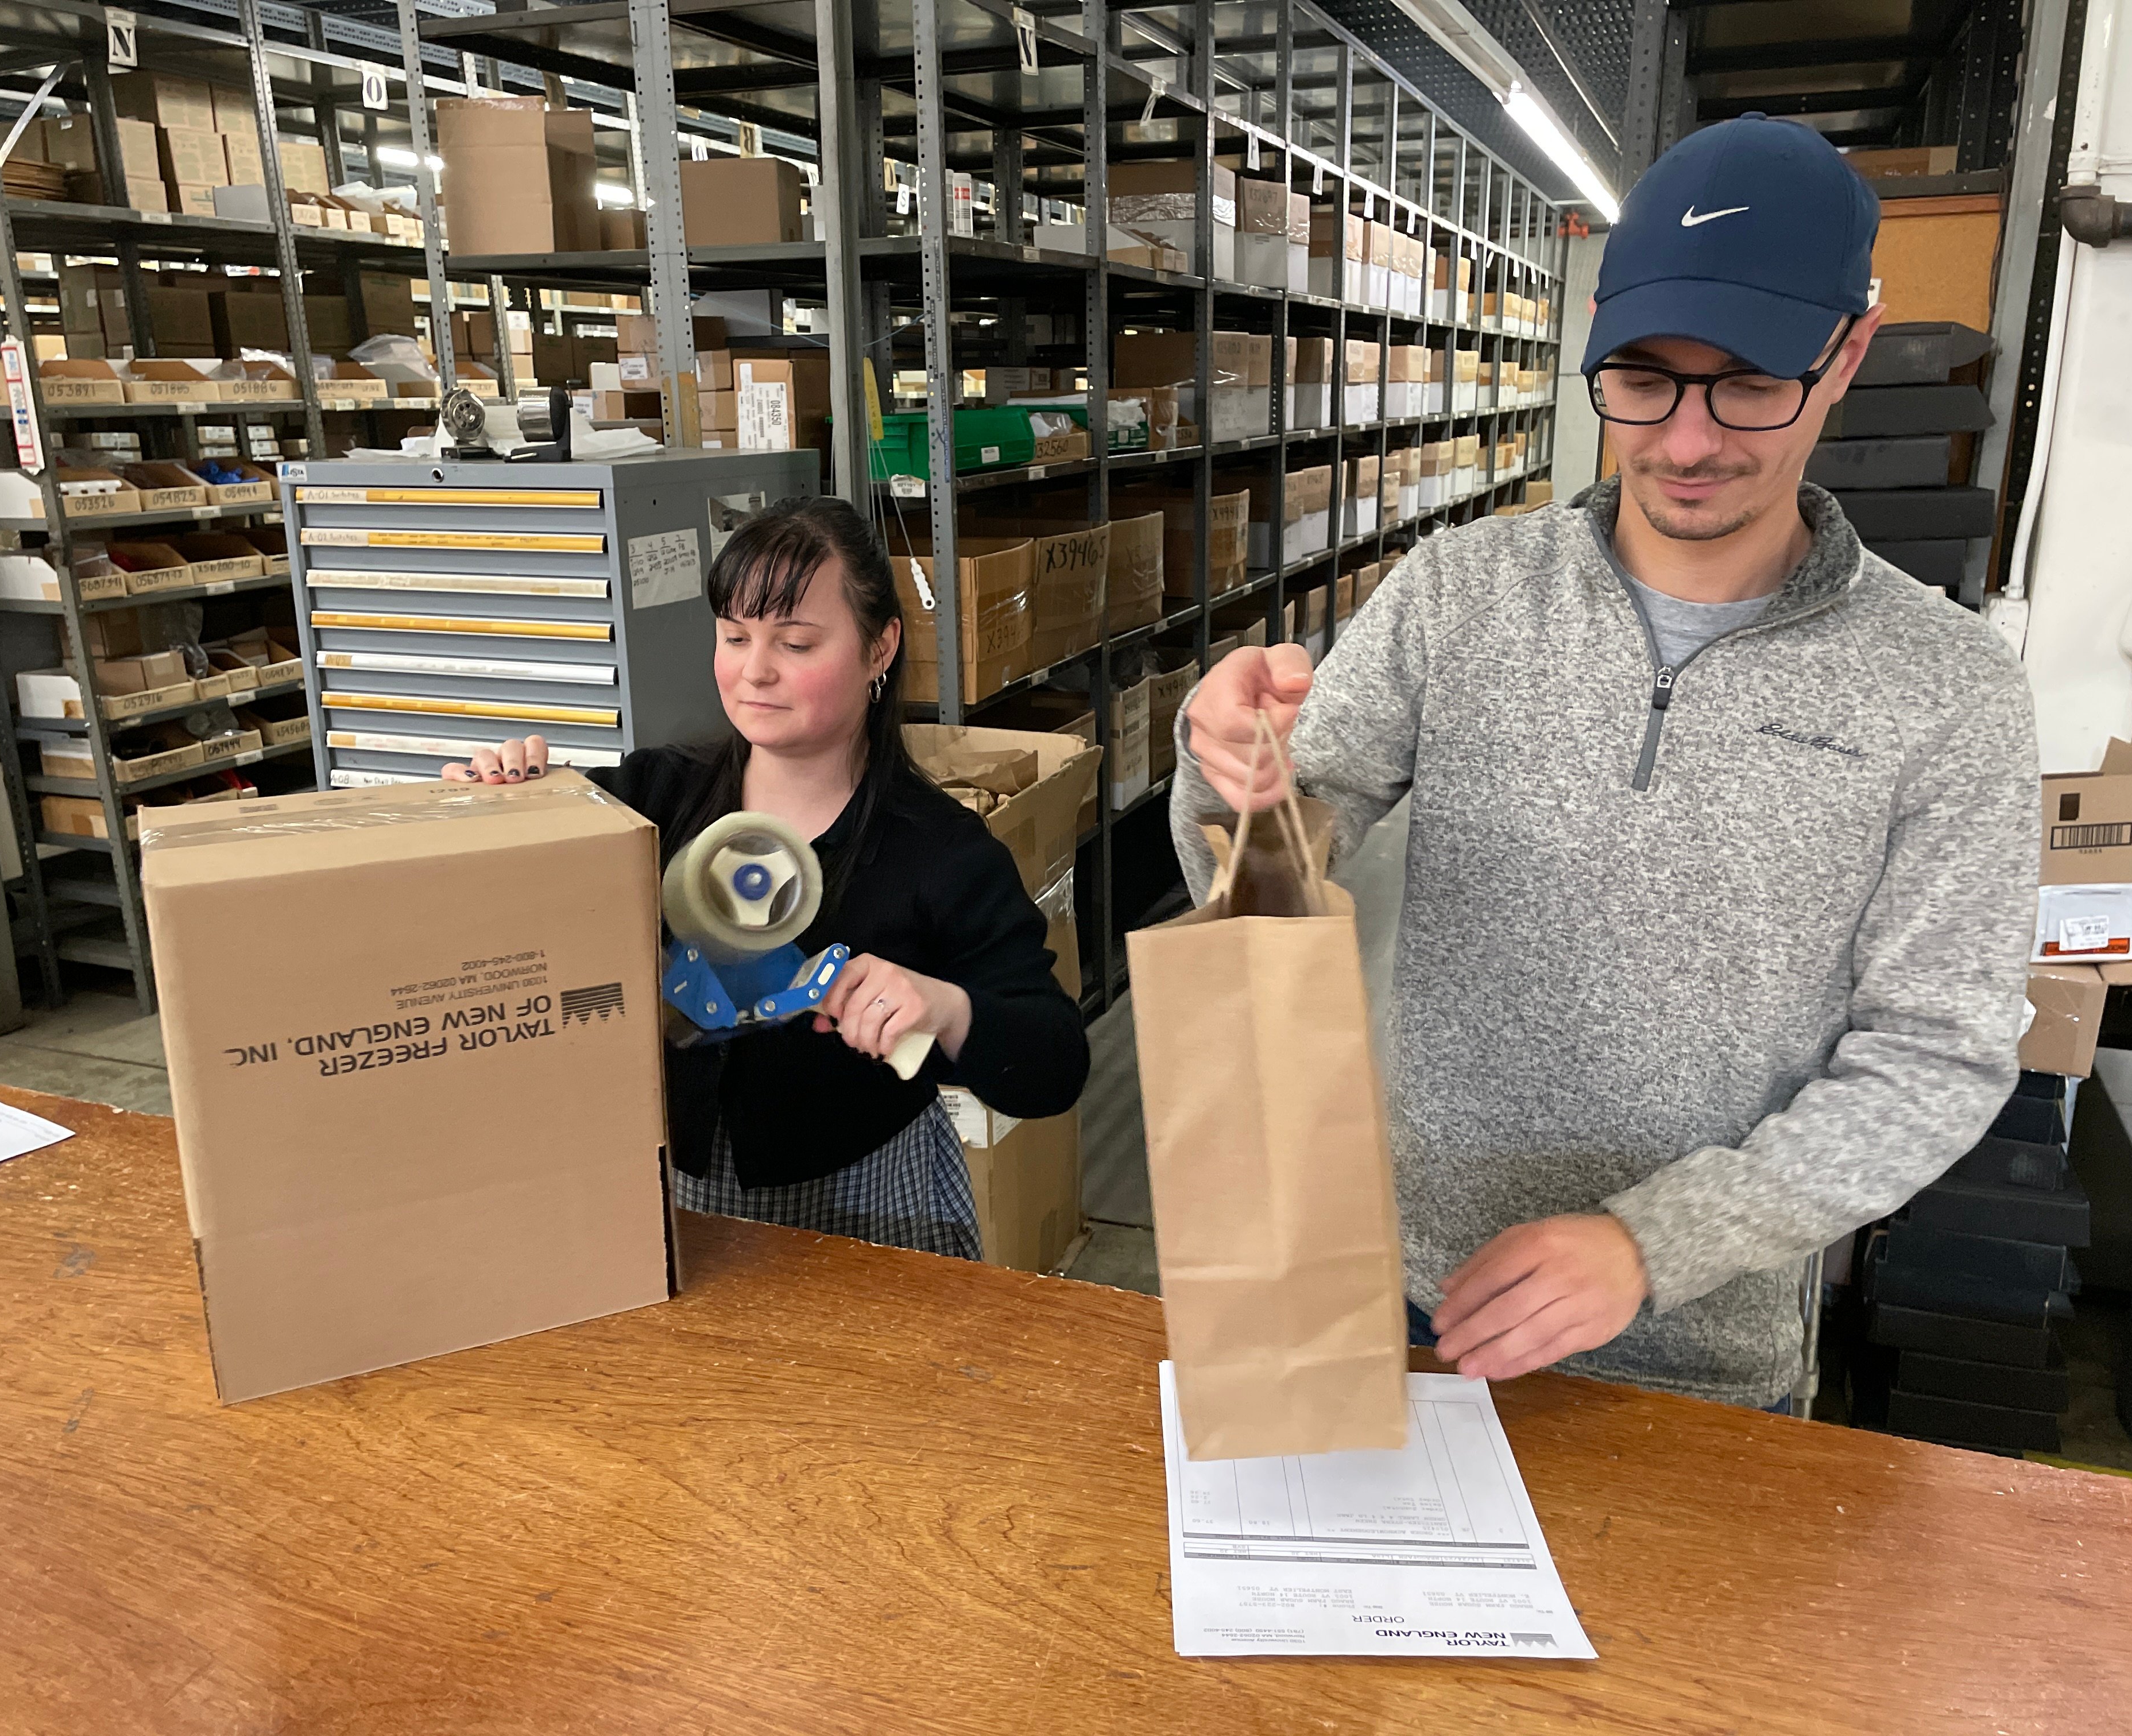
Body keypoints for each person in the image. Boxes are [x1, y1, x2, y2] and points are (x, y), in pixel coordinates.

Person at [1174, 113, 2040, 1409]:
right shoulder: (1458, 593)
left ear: (1848, 351)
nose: (1687, 443)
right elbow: (1275, 875)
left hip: (1708, 1359)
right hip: (1421, 1297)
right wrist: (1236, 781)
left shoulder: (1950, 690)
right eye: (1642, 378)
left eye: (1751, 383)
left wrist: (1654, 1244)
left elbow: (1939, 1053)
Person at [447, 496, 1088, 1258]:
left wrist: (945, 1006)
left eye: (796, 642)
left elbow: (1053, 1066)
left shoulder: (939, 852)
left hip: (875, 1206)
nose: (755, 671)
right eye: (735, 636)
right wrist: (507, 797)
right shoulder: (652, 797)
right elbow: (505, 910)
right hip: (687, 1193)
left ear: (880, 649)